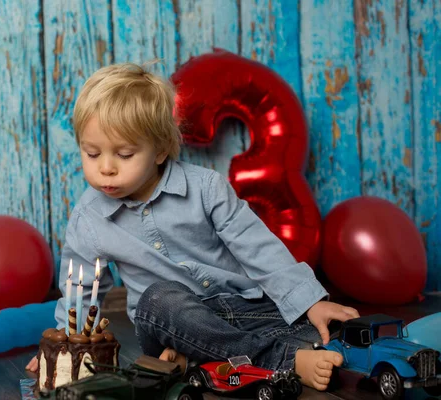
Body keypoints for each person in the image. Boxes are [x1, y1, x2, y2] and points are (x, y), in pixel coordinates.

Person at [26, 62, 359, 391]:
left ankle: (197, 360)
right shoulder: (90, 218)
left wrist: (309, 301)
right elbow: (80, 288)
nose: (106, 168)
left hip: (240, 309)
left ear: (159, 150)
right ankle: (278, 360)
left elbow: (256, 245)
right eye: (92, 153)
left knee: (331, 334)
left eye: (125, 154)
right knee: (159, 298)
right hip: (168, 321)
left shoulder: (206, 188)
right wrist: (66, 349)